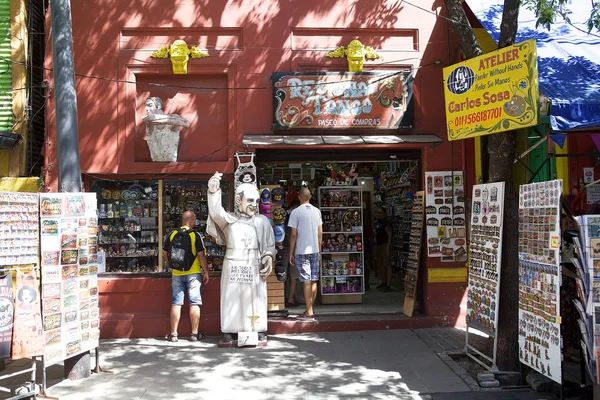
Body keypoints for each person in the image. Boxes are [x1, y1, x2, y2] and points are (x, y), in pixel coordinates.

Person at [206, 172, 275, 343]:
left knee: (256, 297)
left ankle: (257, 328)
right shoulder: (229, 220)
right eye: (250, 201)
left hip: (254, 263)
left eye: (256, 201)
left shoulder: (262, 222)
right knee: (232, 297)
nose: (254, 205)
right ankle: (229, 330)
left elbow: (269, 245)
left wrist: (268, 257)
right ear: (239, 201)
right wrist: (214, 191)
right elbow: (216, 213)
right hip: (233, 263)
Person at [163, 211, 209, 342]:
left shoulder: (172, 234)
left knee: (176, 303)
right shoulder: (195, 235)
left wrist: (172, 264)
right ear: (192, 221)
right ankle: (194, 334)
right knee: (194, 303)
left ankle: (173, 334)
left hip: (176, 273)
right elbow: (201, 255)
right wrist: (205, 271)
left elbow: (164, 253)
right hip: (193, 273)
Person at [288, 187, 323, 320]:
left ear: (299, 197)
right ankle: (311, 309)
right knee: (314, 280)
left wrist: (291, 252)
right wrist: (319, 248)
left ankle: (309, 312)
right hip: (315, 250)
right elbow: (320, 233)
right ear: (310, 197)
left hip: (302, 251)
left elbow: (293, 234)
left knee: (306, 280)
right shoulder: (317, 211)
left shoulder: (295, 212)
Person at [283, 200, 303, 306]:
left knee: (286, 275)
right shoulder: (294, 218)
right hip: (292, 249)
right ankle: (290, 299)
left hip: (284, 248)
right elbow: (294, 236)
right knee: (294, 276)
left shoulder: (285, 218)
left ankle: (292, 297)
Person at [375, 206, 393, 292]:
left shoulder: (387, 222)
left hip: (385, 244)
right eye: (377, 212)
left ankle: (388, 284)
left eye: (380, 212)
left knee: (387, 264)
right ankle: (384, 281)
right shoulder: (378, 222)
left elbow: (389, 235)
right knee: (381, 264)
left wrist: (388, 247)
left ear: (384, 213)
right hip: (379, 245)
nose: (378, 214)